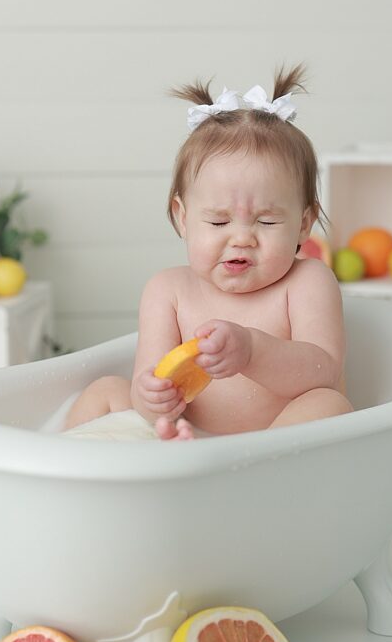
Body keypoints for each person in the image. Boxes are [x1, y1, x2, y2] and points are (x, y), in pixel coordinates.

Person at [64, 64, 353, 441]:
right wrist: (154, 397)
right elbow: (147, 382)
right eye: (218, 223)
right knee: (105, 391)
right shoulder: (168, 290)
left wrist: (252, 351)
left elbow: (323, 370)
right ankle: (59, 473)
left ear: (303, 223)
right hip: (187, 436)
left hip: (273, 447)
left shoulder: (307, 282)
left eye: (266, 222)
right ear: (182, 219)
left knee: (328, 406)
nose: (241, 239)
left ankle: (243, 480)